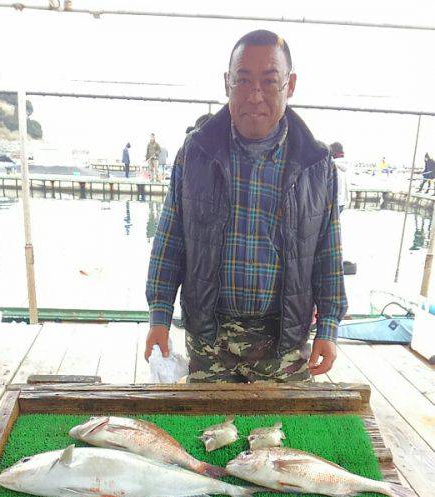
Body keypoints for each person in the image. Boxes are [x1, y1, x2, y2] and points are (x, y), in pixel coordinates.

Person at [145, 29, 347, 382]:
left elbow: (328, 254)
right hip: (209, 337)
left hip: (285, 338)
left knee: (287, 433)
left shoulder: (317, 164)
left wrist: (328, 328)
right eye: (243, 80)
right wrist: (159, 316)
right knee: (204, 431)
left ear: (291, 84)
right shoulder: (195, 154)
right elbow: (170, 240)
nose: (255, 95)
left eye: (270, 81)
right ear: (227, 83)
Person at [329, 142, 350, 213]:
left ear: (334, 152)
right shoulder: (347, 164)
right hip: (343, 201)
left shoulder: (331, 165)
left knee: (330, 223)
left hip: (333, 201)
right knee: (336, 222)